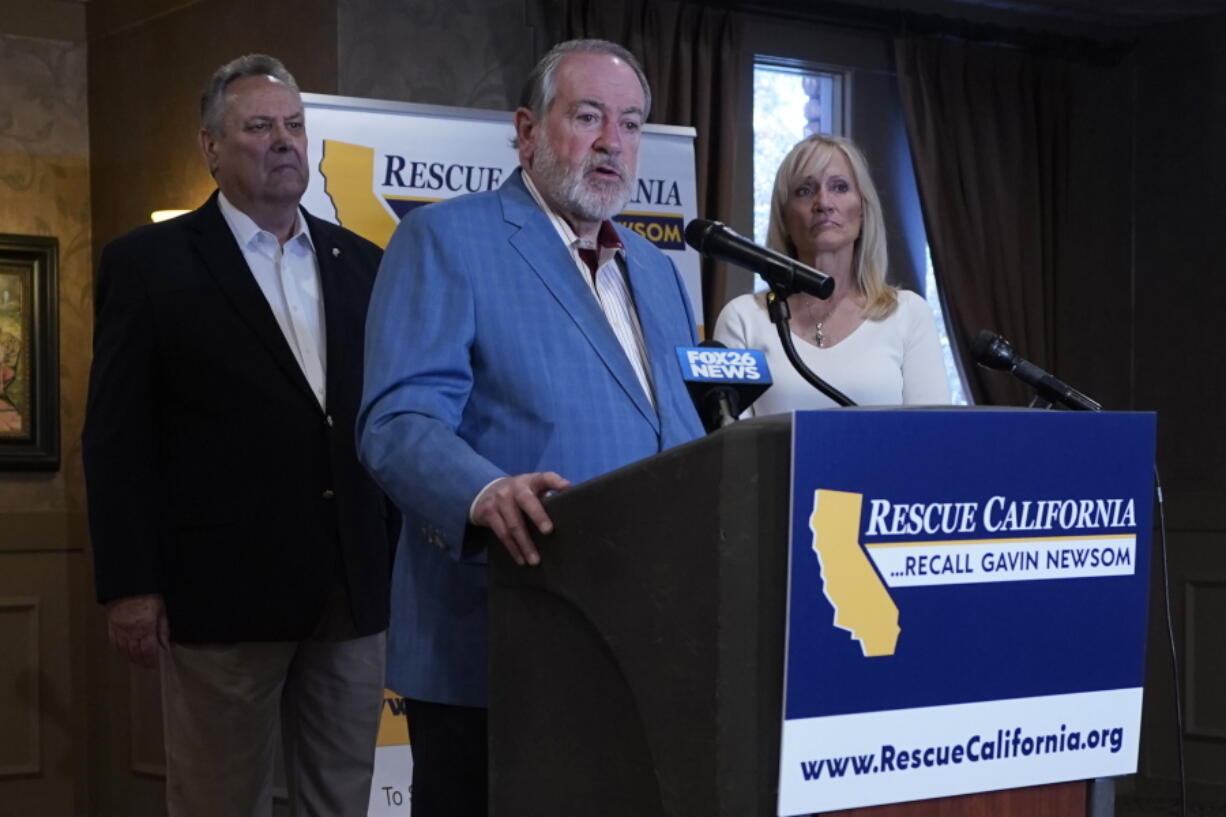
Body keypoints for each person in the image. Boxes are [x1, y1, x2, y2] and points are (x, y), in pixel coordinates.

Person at [358, 38, 705, 817]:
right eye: (588, 116)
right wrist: (481, 489)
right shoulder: (446, 239)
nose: (614, 142)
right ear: (526, 130)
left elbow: (676, 434)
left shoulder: (655, 270)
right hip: (496, 639)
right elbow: (397, 419)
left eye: (632, 123)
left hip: (636, 641)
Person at [82, 54, 392, 817]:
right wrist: (129, 583)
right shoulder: (149, 263)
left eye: (293, 125)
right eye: (259, 127)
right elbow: (116, 435)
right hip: (219, 595)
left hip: (351, 591)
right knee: (221, 800)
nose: (283, 141)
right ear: (210, 149)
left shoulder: (364, 264)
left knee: (343, 799)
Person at [713, 134, 950, 413]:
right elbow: (729, 444)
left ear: (863, 213)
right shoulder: (743, 319)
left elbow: (933, 437)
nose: (823, 203)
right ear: (784, 217)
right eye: (804, 190)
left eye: (839, 187)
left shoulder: (908, 314)